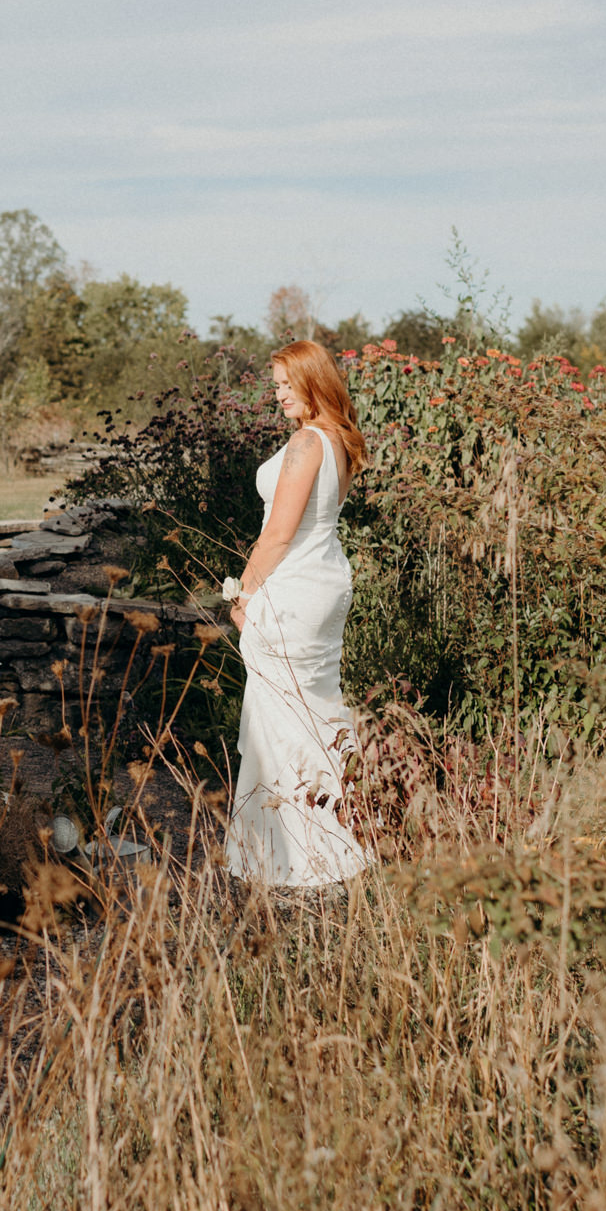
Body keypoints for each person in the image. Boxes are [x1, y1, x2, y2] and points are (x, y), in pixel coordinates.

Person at [224, 339, 374, 888]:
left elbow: (279, 533)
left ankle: (294, 854)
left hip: (293, 589)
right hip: (327, 582)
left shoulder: (307, 443)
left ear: (313, 382)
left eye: (287, 385)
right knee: (314, 703)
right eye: (277, 386)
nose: (279, 395)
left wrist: (240, 595)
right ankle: (348, 822)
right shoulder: (338, 440)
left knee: (280, 712)